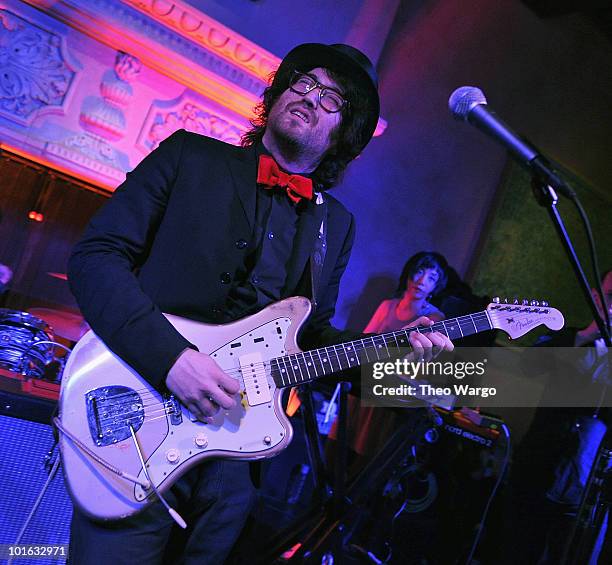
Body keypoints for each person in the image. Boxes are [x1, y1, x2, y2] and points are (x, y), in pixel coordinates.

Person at [66, 43, 453, 564]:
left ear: (346, 136)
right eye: (303, 83)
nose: (310, 97)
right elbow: (95, 258)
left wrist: (396, 361)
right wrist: (172, 360)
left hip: (236, 469)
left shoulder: (334, 225)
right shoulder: (189, 156)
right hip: (140, 426)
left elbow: (313, 340)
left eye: (332, 98)